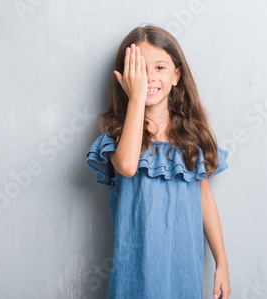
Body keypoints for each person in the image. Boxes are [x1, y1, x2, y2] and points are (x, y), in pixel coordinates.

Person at [85, 24, 232, 299]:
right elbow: (128, 166)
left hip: (182, 266)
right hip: (137, 270)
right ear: (126, 77)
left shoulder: (192, 136)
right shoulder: (116, 132)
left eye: (160, 68)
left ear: (177, 76)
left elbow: (205, 200)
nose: (149, 77)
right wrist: (137, 97)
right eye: (140, 69)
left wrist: (221, 263)